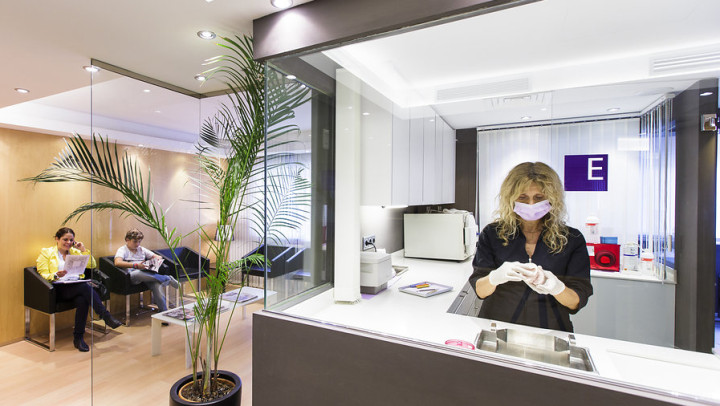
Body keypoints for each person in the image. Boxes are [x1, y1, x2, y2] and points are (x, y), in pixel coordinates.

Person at [469, 162, 593, 332]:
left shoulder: (572, 239)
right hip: (497, 327)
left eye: (539, 197)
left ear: (552, 198)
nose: (531, 204)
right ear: (510, 198)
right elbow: (480, 291)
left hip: (550, 329)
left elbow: (576, 301)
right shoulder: (492, 234)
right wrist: (495, 277)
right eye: (523, 197)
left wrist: (557, 288)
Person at [36, 227, 123, 352]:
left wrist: (83, 250)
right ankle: (106, 316)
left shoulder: (75, 252)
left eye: (71, 240)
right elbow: (43, 273)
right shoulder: (47, 253)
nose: (68, 242)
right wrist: (55, 275)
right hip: (59, 288)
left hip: (77, 286)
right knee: (85, 287)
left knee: (83, 299)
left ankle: (78, 338)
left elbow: (92, 265)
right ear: (57, 239)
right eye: (65, 239)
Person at [114, 229, 179, 314]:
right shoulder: (122, 250)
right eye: (135, 242)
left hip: (146, 274)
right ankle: (167, 278)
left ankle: (163, 313)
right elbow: (117, 262)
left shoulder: (141, 249)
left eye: (139, 242)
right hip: (133, 276)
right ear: (127, 240)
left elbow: (158, 257)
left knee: (157, 285)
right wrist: (135, 265)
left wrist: (151, 262)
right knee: (137, 273)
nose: (137, 244)